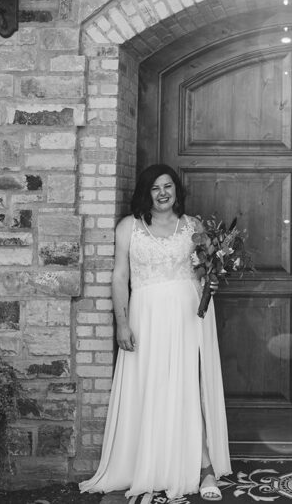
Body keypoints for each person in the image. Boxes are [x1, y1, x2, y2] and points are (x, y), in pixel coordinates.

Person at [80, 164, 231, 504]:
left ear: (177, 190)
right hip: (145, 316)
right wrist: (121, 323)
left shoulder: (192, 226)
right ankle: (152, 462)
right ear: (146, 193)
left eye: (168, 186)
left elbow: (204, 271)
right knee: (150, 386)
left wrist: (212, 281)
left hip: (187, 316)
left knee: (189, 387)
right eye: (155, 188)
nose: (163, 193)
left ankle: (203, 465)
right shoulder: (128, 228)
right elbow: (120, 278)